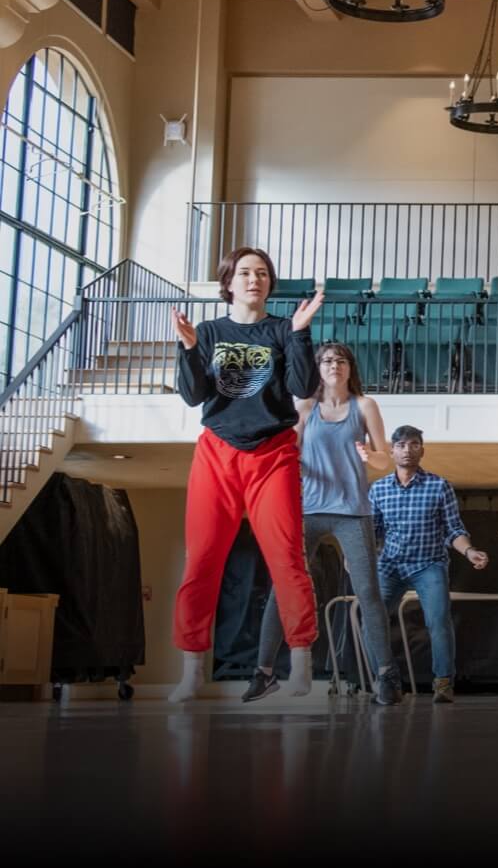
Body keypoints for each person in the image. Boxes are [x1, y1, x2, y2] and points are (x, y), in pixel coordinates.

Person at [168, 247, 325, 703]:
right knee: (201, 561)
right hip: (217, 452)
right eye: (244, 272)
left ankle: (300, 663)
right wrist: (190, 347)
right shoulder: (210, 332)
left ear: (269, 284)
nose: (253, 279)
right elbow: (194, 395)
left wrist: (299, 334)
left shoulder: (282, 328)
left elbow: (301, 388)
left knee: (286, 558)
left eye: (262, 273)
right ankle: (192, 669)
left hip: (272, 454)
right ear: (229, 282)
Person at [245, 343, 401, 706]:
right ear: (318, 368)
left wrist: (370, 455)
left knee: (369, 593)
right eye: (328, 360)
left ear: (350, 368)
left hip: (352, 512)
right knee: (281, 590)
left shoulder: (365, 406)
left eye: (341, 360)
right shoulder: (305, 408)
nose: (335, 365)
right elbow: (287, 456)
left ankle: (386, 676)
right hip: (307, 511)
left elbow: (384, 462)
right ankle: (263, 672)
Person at [369, 426, 487, 703]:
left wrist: (469, 551)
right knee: (372, 620)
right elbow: (371, 532)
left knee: (438, 621)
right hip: (390, 565)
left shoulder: (439, 486)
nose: (407, 450)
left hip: (428, 564)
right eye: (401, 445)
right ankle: (388, 679)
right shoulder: (378, 489)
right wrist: (357, 556)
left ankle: (443, 682)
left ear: (422, 449)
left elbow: (453, 530)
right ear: (392, 450)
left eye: (413, 444)